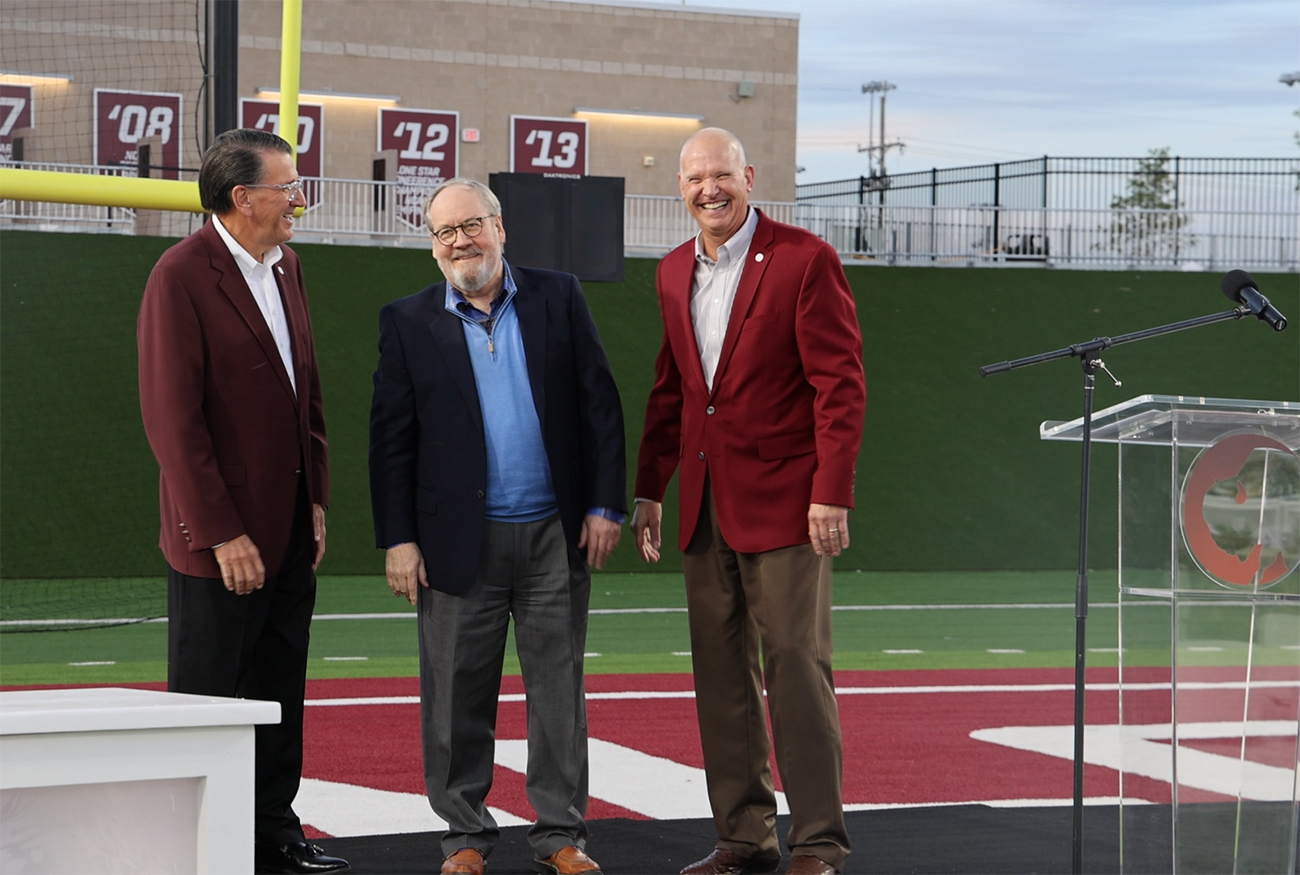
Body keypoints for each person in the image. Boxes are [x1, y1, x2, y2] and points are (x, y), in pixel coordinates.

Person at [368, 179, 626, 875]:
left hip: (553, 534)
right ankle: (465, 838)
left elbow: (600, 405)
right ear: (433, 244)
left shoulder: (559, 297)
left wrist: (606, 504)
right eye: (444, 232)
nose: (460, 241)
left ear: (500, 228)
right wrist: (399, 537)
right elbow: (390, 441)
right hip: (458, 543)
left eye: (471, 225)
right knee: (455, 695)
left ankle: (560, 834)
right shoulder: (406, 320)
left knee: (557, 692)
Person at [632, 128, 866, 875]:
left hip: (788, 507)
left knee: (796, 666)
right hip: (703, 505)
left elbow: (841, 386)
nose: (711, 189)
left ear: (749, 176)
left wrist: (831, 490)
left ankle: (818, 842)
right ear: (681, 187)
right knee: (720, 674)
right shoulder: (673, 272)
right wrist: (649, 488)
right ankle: (744, 835)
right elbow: (672, 390)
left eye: (722, 175)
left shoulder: (804, 260)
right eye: (697, 177)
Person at [137, 129, 346, 875]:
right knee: (208, 697)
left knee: (280, 690)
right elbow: (172, 418)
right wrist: (222, 531)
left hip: (290, 529)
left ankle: (274, 835)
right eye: (289, 186)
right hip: (219, 544)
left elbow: (306, 395)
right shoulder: (179, 275)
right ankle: (190, 844)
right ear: (241, 198)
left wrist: (315, 498)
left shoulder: (287, 267)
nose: (300, 198)